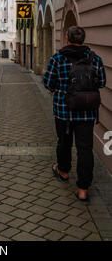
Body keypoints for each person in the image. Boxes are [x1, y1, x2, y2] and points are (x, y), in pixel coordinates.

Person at [43, 26, 106, 201]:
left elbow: (48, 82)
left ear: (67, 38)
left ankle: (63, 171)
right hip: (87, 112)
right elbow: (101, 82)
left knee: (64, 142)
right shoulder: (95, 59)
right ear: (83, 39)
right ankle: (83, 189)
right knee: (85, 148)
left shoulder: (58, 58)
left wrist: (62, 89)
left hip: (64, 111)